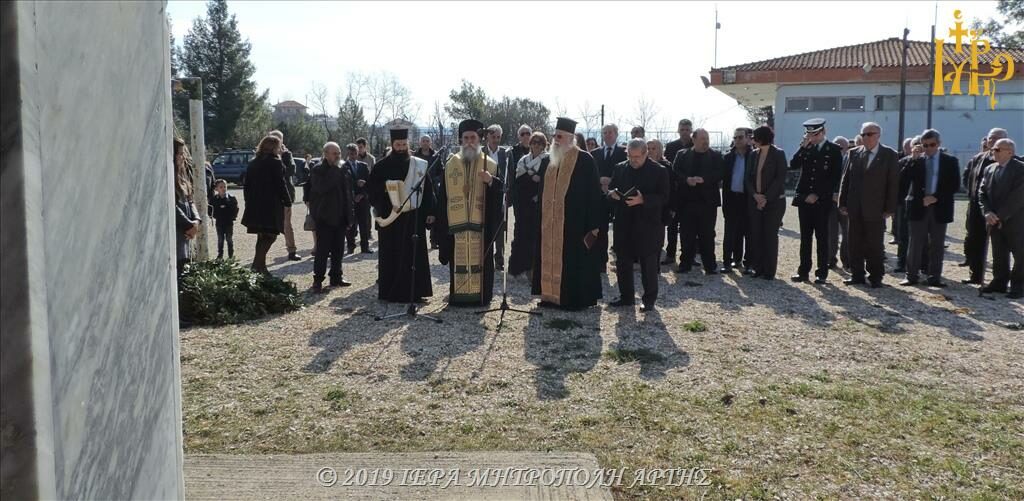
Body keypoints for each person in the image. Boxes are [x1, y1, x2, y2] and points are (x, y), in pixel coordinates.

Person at [532, 117, 606, 309]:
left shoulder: (584, 160)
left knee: (573, 261)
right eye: (554, 136)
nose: (555, 140)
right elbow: (541, 193)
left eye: (560, 136)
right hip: (550, 224)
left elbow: (594, 196)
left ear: (570, 137)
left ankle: (572, 300)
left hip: (575, 224)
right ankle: (549, 296)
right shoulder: (549, 160)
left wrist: (593, 226)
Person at [434, 119, 504, 305]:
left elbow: (500, 191)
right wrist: (441, 223)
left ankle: (480, 298)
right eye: (466, 138)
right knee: (458, 262)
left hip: (481, 225)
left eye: (473, 137)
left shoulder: (489, 164)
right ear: (461, 140)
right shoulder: (451, 164)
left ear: (479, 139)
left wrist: (490, 181)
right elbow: (443, 197)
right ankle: (458, 297)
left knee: (480, 262)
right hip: (457, 226)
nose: (469, 142)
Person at [367, 128, 434, 303]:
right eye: (398, 145)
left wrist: (430, 212)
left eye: (404, 144)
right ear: (392, 145)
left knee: (414, 254)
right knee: (392, 254)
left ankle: (415, 292)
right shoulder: (381, 166)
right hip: (392, 217)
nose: (401, 147)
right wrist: (385, 189)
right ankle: (392, 292)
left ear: (408, 144)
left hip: (414, 217)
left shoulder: (417, 164)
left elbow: (427, 190)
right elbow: (371, 190)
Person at [607, 139, 670, 311]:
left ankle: (649, 300)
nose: (633, 160)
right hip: (624, 222)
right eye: (630, 156)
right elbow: (611, 188)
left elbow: (665, 197)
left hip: (648, 224)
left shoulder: (659, 171)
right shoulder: (620, 168)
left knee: (648, 264)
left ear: (645, 154)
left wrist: (644, 199)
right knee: (623, 262)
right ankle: (626, 297)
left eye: (637, 157)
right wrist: (612, 194)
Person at [838, 122, 899, 288]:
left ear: (878, 135)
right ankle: (857, 275)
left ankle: (876, 276)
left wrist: (890, 208)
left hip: (876, 208)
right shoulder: (853, 154)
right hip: (855, 207)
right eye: (863, 134)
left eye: (869, 134)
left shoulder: (889, 155)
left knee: (874, 244)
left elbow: (893, 183)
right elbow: (846, 180)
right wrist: (842, 202)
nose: (865, 137)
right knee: (854, 242)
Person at [898, 129, 960, 287]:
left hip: (940, 207)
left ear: (938, 144)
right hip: (918, 206)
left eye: (932, 145)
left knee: (937, 244)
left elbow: (954, 184)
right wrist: (912, 159)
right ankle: (911, 275)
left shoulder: (950, 161)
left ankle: (934, 276)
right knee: (915, 243)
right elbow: (903, 180)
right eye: (925, 145)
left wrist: (936, 197)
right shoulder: (916, 161)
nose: (928, 148)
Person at [789, 118, 843, 284]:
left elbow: (834, 177)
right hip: (804, 199)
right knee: (805, 237)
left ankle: (822, 273)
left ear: (823, 132)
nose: (812, 137)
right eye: (809, 134)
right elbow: (793, 164)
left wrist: (817, 194)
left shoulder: (833, 150)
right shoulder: (806, 148)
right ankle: (803, 271)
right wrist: (802, 148)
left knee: (822, 237)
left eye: (815, 134)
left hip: (822, 201)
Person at [672, 128, 723, 274]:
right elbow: (675, 171)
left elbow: (721, 173)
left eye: (707, 138)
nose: (705, 141)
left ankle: (710, 265)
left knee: (707, 234)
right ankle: (685, 264)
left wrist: (705, 179)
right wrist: (687, 180)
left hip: (707, 203)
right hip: (687, 202)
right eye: (702, 139)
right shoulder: (682, 154)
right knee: (687, 234)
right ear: (693, 140)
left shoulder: (716, 155)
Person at [306, 142, 355, 292]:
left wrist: (349, 215)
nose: (338, 156)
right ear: (325, 154)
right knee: (322, 251)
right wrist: (334, 169)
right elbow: (321, 188)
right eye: (334, 153)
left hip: (340, 216)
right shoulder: (318, 170)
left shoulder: (344, 168)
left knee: (338, 250)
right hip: (325, 217)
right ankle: (318, 280)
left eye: (339, 153)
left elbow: (348, 192)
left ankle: (336, 277)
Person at [978, 138, 1024, 299]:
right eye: (993, 149)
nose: (993, 152)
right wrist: (988, 212)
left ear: (1009, 152)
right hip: (993, 220)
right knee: (999, 253)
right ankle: (999, 281)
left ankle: (1018, 285)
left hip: (1016, 221)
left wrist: (1000, 216)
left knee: (1020, 254)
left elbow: (1018, 197)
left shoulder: (1020, 170)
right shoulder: (989, 169)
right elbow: (982, 193)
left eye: (997, 149)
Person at [241, 135, 292, 274]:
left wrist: (248, 202)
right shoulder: (275, 162)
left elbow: (247, 185)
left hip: (255, 204)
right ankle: (257, 265)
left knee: (262, 236)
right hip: (270, 205)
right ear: (274, 147)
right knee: (270, 235)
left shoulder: (253, 162)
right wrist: (287, 201)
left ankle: (260, 266)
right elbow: (281, 184)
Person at [961, 128, 1007, 284]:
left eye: (996, 138)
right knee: (975, 241)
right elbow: (968, 178)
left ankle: (1000, 279)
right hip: (977, 207)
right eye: (990, 138)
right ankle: (976, 275)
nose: (992, 141)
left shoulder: (1010, 161)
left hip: (999, 210)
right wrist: (972, 194)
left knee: (1000, 245)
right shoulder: (978, 158)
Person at [745, 126, 788, 280]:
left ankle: (769, 270)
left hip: (774, 203)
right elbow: (748, 178)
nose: (751, 139)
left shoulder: (778, 154)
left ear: (760, 138)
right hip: (755, 201)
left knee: (770, 235)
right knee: (756, 234)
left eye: (754, 137)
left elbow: (780, 178)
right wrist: (756, 195)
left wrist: (766, 198)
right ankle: (758, 268)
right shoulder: (753, 155)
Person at [509, 131, 548, 277]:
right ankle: (518, 268)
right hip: (522, 204)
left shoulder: (547, 160)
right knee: (520, 235)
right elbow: (518, 181)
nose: (536, 145)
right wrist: (532, 178)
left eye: (539, 143)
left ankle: (534, 270)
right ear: (530, 144)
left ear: (544, 145)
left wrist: (534, 182)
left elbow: (547, 183)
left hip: (538, 204)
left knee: (535, 237)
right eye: (534, 142)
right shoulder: (523, 161)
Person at [591, 124, 626, 272]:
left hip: (618, 197)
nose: (607, 135)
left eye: (610, 132)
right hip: (599, 197)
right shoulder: (594, 153)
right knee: (601, 230)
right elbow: (589, 173)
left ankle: (622, 261)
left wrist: (611, 181)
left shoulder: (624, 152)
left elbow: (627, 172)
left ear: (616, 134)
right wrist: (600, 181)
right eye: (604, 133)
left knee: (621, 230)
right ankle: (600, 262)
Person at [721, 127, 753, 274]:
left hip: (747, 199)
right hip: (731, 198)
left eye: (740, 137)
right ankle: (727, 262)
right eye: (735, 138)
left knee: (748, 232)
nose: (738, 140)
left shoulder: (754, 156)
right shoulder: (727, 157)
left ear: (748, 138)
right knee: (730, 233)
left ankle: (747, 263)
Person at [663, 118, 694, 264]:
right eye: (682, 129)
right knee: (672, 225)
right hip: (675, 191)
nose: (685, 132)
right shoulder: (671, 146)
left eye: (687, 130)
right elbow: (669, 169)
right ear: (678, 130)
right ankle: (670, 254)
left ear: (691, 131)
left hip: (691, 192)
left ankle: (689, 256)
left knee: (689, 227)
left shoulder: (696, 145)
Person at [268, 130, 300, 261]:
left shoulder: (287, 155)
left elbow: (291, 171)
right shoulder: (266, 155)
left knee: (287, 224)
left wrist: (282, 157)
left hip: (285, 194)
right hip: (270, 195)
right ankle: (262, 252)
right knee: (268, 225)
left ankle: (291, 251)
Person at [173, 137, 200, 278]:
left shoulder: (183, 177)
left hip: (188, 233)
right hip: (179, 233)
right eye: (179, 153)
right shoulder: (169, 178)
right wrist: (187, 225)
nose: (183, 157)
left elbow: (190, 200)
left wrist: (196, 221)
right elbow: (172, 205)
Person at [343, 144, 372, 254]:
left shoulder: (363, 166)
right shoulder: (343, 167)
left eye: (355, 153)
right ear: (347, 154)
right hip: (350, 201)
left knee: (364, 224)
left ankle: (365, 247)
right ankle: (351, 246)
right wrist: (354, 189)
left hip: (363, 200)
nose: (353, 156)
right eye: (351, 153)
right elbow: (344, 184)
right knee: (351, 225)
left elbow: (369, 183)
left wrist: (363, 193)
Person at [829, 136, 852, 270]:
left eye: (841, 147)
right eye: (836, 147)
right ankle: (830, 259)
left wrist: (842, 197)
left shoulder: (851, 162)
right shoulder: (827, 161)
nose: (838, 150)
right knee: (831, 233)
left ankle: (846, 260)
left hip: (845, 203)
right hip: (830, 203)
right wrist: (832, 195)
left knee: (847, 233)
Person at [209, 179, 239, 260]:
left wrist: (233, 217)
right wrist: (214, 216)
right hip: (219, 222)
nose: (223, 189)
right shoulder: (214, 199)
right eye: (221, 187)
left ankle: (231, 255)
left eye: (225, 186)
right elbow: (210, 209)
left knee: (229, 239)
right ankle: (220, 255)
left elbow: (236, 209)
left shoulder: (231, 198)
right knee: (220, 239)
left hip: (229, 222)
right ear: (216, 189)